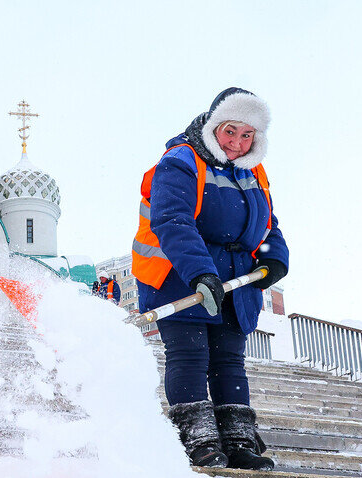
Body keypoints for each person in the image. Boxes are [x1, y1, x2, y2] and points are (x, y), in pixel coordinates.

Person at [131, 87, 289, 470]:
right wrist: (201, 272)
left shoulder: (254, 172)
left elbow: (269, 225)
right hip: (181, 278)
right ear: (214, 126)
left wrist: (275, 259)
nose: (237, 142)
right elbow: (173, 220)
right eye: (230, 131)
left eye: (247, 135)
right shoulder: (182, 160)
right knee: (190, 356)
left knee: (229, 362)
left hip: (236, 285)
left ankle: (237, 442)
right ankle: (198, 439)